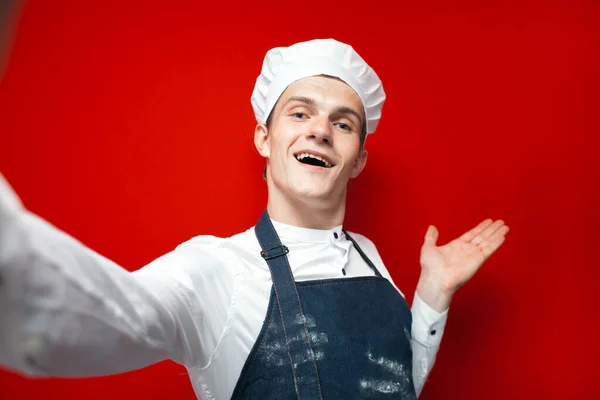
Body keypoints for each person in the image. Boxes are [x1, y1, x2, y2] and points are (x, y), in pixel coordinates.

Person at [0, 39, 509, 399]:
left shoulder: (368, 257)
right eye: (299, 113)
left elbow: (398, 387)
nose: (320, 131)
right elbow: (99, 318)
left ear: (357, 160)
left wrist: (432, 295)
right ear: (264, 139)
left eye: (342, 122)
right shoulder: (216, 269)